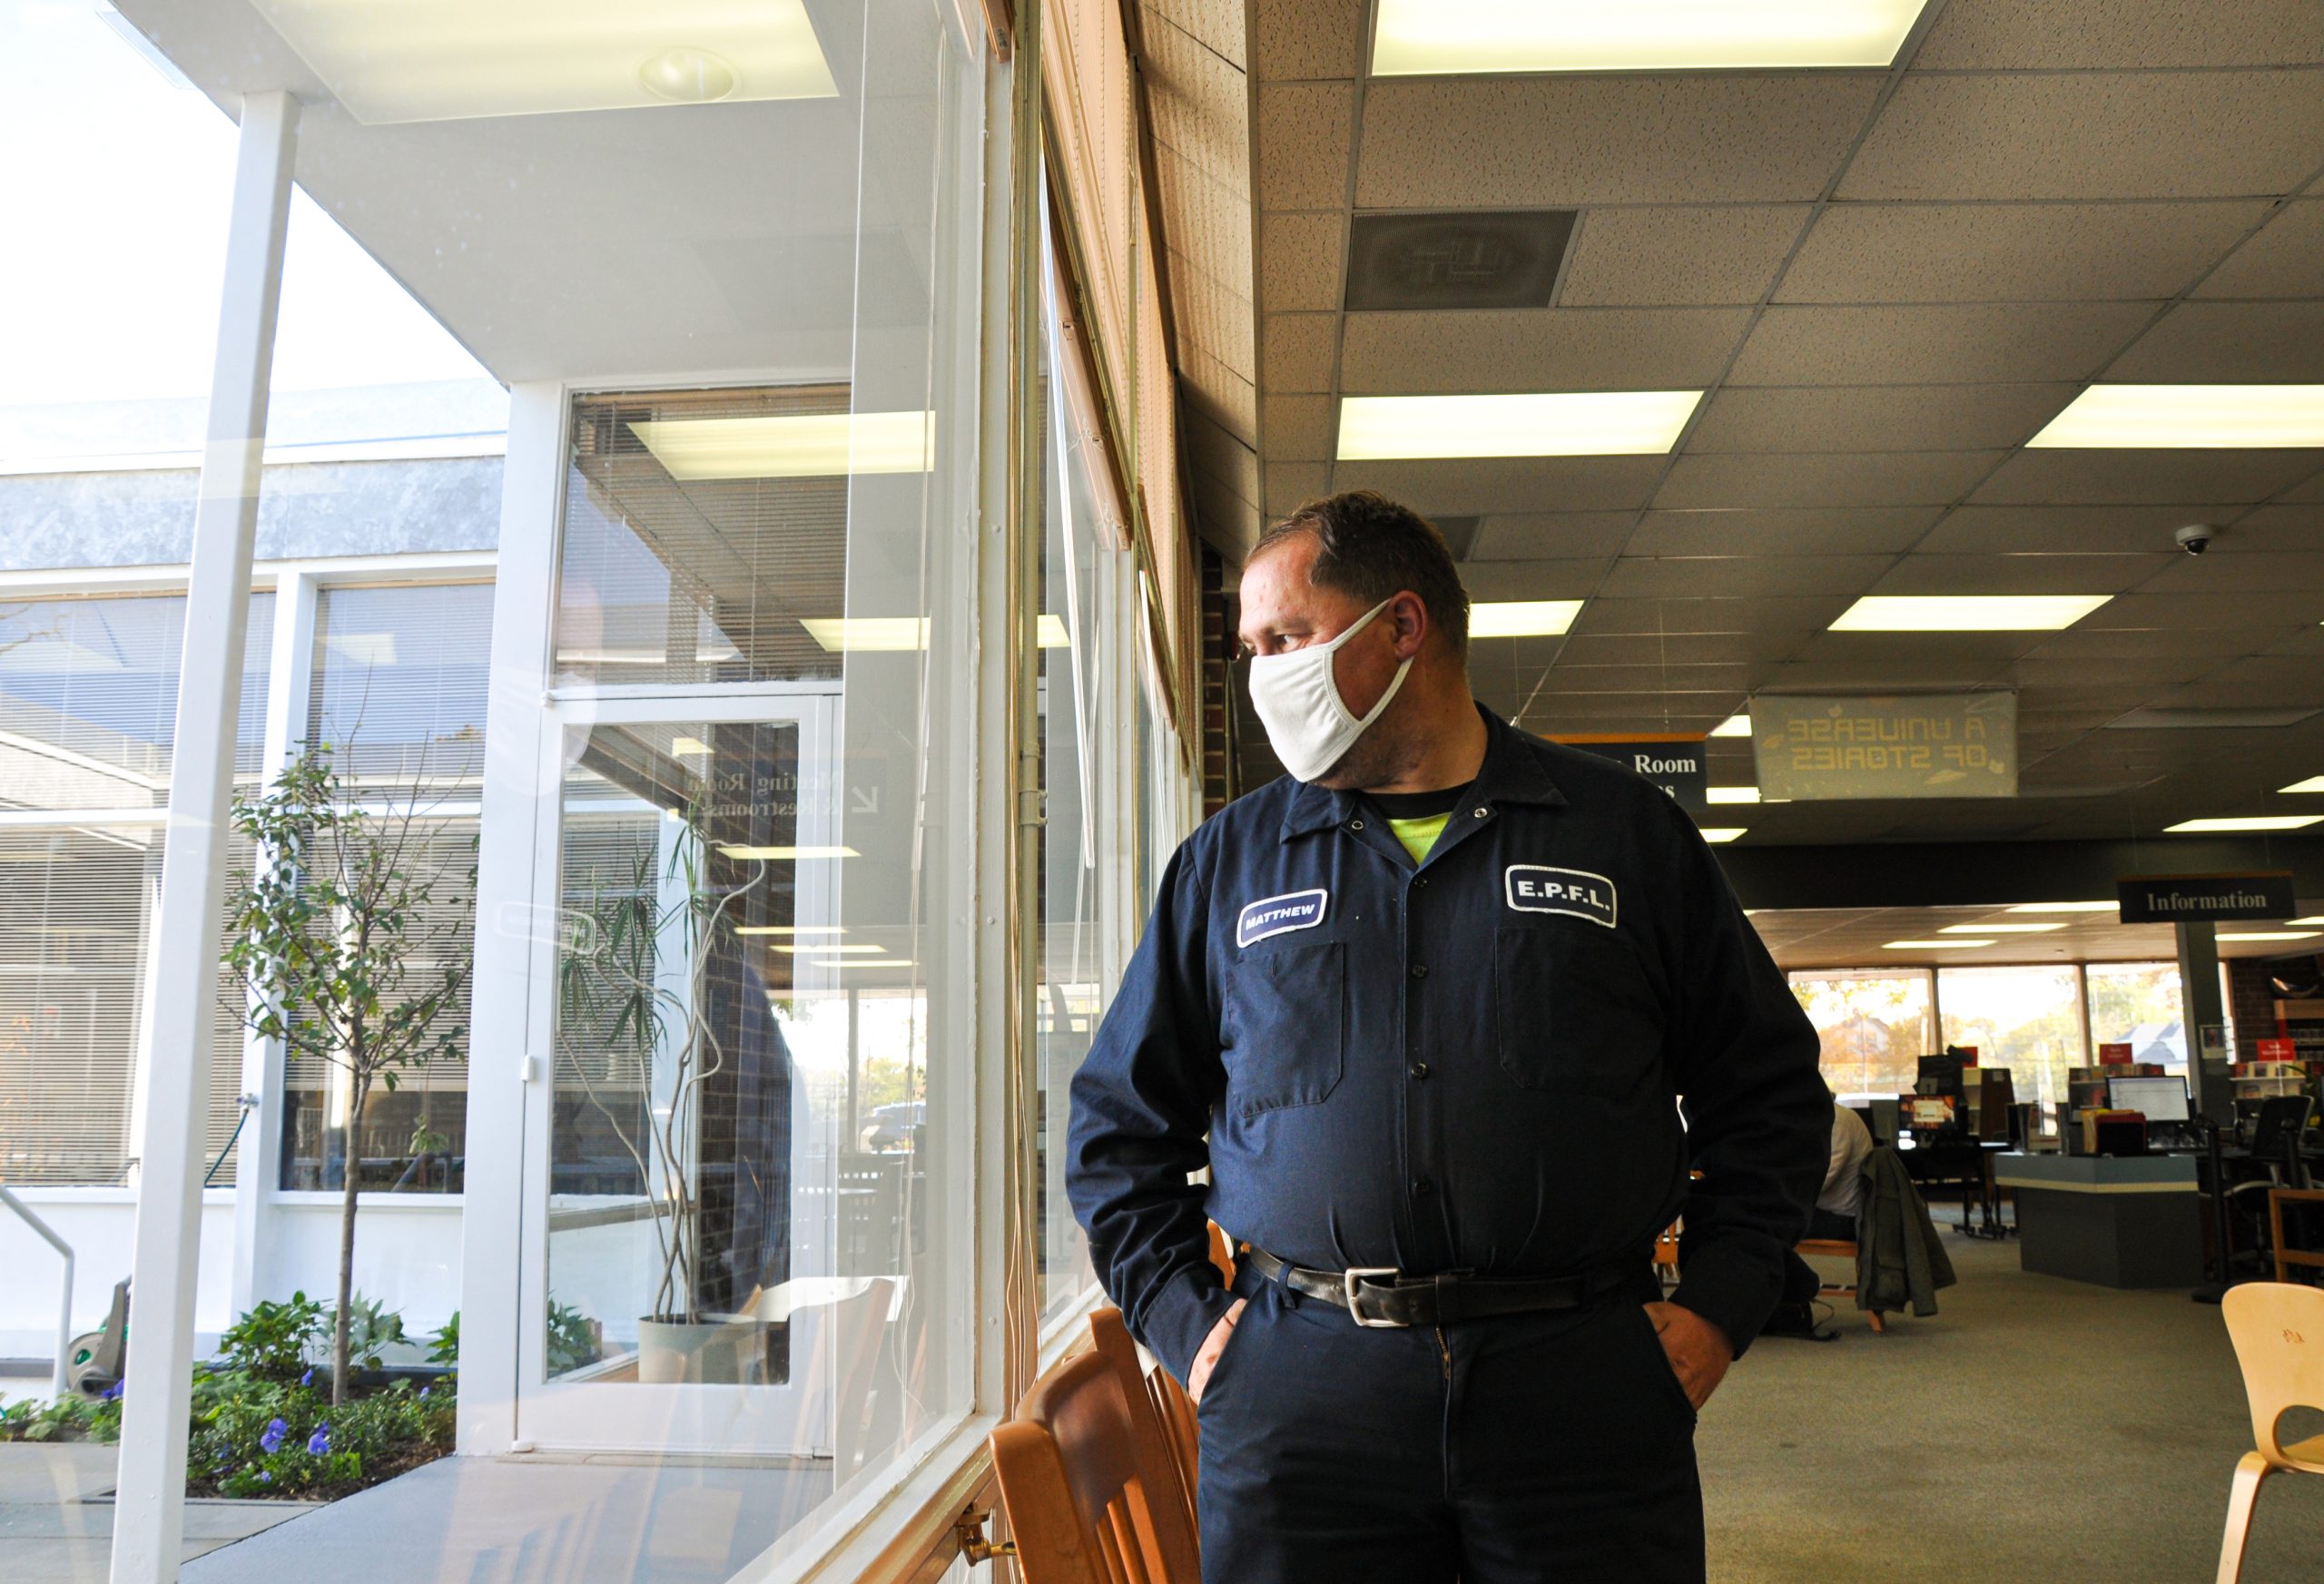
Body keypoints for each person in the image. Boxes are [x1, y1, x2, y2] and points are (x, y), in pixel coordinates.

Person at [1067, 491, 1829, 1584]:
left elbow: (1768, 1095)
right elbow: (1116, 1130)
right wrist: (1186, 1322)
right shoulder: (1228, 864)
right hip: (1302, 1391)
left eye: (1285, 638)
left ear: (1401, 627)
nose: (1260, 673)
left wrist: (1719, 1304)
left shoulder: (1623, 835)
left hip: (1580, 1387)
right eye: (1247, 648)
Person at [1764, 1099, 1876, 1335]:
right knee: (1767, 1218)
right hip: (1826, 1210)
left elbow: (1823, 1179)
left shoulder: (1838, 1122)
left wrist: (1777, 1181)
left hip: (1842, 1218)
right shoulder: (1824, 1118)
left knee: (1768, 1225)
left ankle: (1793, 1294)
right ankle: (1779, 1299)